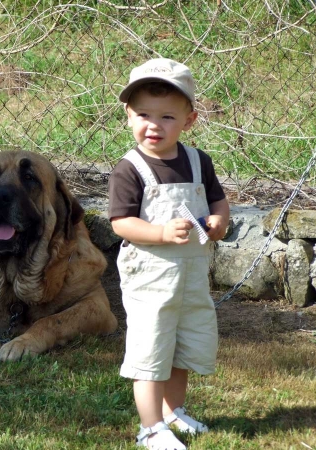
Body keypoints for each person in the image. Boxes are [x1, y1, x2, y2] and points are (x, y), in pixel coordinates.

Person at [109, 58, 230, 450]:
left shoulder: (198, 162)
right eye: (143, 114)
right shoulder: (130, 169)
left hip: (191, 277)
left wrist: (218, 222)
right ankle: (150, 428)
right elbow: (121, 223)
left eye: (166, 117)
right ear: (128, 115)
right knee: (152, 348)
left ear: (188, 120)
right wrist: (160, 232)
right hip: (150, 278)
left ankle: (171, 412)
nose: (153, 125)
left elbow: (219, 202)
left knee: (183, 344)